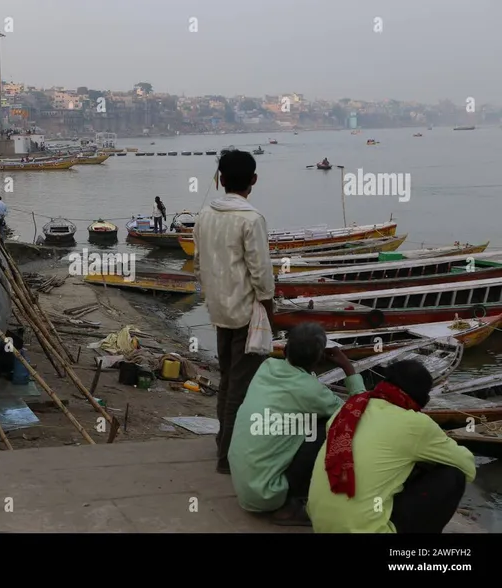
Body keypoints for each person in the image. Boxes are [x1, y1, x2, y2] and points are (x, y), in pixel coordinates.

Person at [307, 359, 476, 533]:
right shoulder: (415, 423)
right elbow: (467, 466)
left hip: (321, 526)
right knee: (453, 476)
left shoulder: (349, 409)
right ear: (423, 398)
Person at [229, 323, 366, 526]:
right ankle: (288, 507)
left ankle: (292, 495)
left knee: (309, 422)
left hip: (245, 485)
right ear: (319, 359)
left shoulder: (266, 368)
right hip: (267, 494)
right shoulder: (311, 391)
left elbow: (299, 387)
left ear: (285, 350)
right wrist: (348, 368)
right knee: (331, 430)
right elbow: (357, 412)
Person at [193, 149, 275, 475]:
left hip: (218, 310)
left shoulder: (204, 216)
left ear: (221, 180)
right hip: (246, 313)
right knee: (241, 386)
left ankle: (222, 441)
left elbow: (199, 264)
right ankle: (227, 455)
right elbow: (262, 275)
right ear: (253, 181)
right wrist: (270, 313)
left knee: (228, 377)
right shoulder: (251, 220)